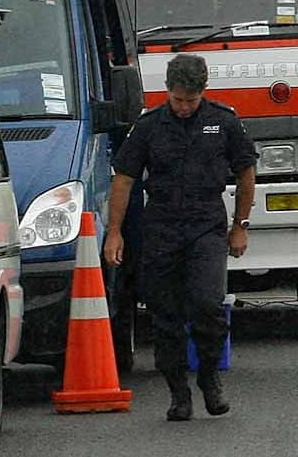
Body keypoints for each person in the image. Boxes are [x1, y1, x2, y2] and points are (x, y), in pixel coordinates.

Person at [104, 54, 256, 421]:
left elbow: (246, 172)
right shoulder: (149, 127)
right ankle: (178, 392)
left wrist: (241, 225)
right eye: (178, 100)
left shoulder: (223, 122)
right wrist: (114, 233)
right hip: (161, 228)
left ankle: (208, 377)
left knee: (207, 304)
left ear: (203, 93)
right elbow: (124, 180)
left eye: (191, 100)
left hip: (206, 225)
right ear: (167, 92)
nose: (185, 107)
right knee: (165, 314)